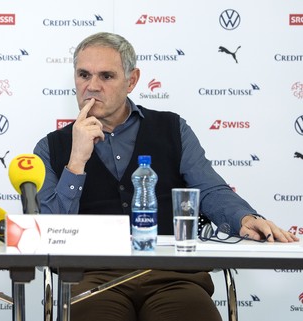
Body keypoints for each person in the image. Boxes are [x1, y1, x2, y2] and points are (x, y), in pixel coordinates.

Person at [34, 31, 299, 321]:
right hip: (90, 278)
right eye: (84, 75)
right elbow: (48, 233)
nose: (92, 86)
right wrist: (76, 162)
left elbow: (209, 189)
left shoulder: (173, 128)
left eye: (106, 76)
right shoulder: (51, 147)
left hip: (172, 275)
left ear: (132, 80)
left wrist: (244, 219)